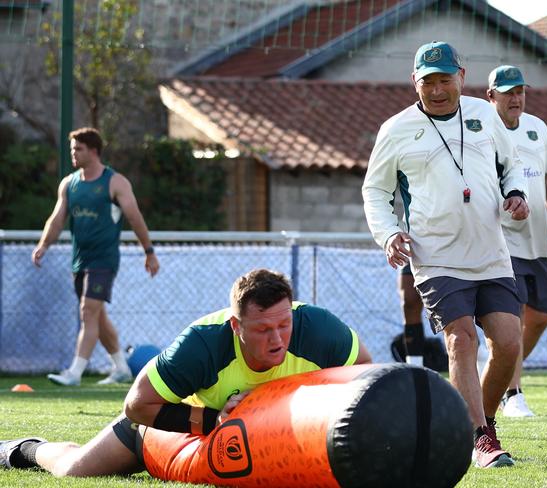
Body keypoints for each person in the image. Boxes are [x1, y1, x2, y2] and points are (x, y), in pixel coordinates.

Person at [0, 268, 372, 479]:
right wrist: (215, 418)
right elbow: (136, 405)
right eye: (262, 330)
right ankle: (26, 449)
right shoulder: (202, 345)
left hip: (261, 435)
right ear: (236, 326)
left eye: (283, 324)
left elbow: (367, 380)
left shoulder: (319, 329)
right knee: (73, 470)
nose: (277, 339)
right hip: (168, 428)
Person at [362, 41, 529, 468]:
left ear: (461, 77)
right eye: (428, 82)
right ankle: (479, 438)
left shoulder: (484, 114)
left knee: (509, 344)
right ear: (414, 83)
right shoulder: (396, 129)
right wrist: (388, 234)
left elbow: (509, 165)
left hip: (491, 251)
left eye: (444, 80)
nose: (437, 90)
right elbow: (375, 192)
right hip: (435, 255)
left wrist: (515, 193)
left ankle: (481, 420)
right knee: (461, 339)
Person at [31, 127, 160, 386]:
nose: (74, 154)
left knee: (88, 311)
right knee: (97, 316)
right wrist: (44, 245)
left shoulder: (115, 182)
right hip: (79, 260)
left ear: (93, 150)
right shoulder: (69, 183)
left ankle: (74, 373)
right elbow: (56, 220)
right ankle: (121, 368)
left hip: (104, 260)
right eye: (72, 150)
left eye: (78, 149)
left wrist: (149, 252)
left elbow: (135, 218)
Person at [487, 65, 547, 417]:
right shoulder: (482, 134)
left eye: (520, 91)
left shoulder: (538, 128)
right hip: (500, 240)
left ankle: (500, 363)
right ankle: (513, 393)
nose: (516, 98)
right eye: (508, 92)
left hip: (537, 241)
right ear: (490, 96)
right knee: (512, 317)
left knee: (540, 317)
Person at [398, 263, 426, 365]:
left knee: (453, 308)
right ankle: (415, 368)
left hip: (445, 254)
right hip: (413, 254)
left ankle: (478, 358)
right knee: (409, 302)